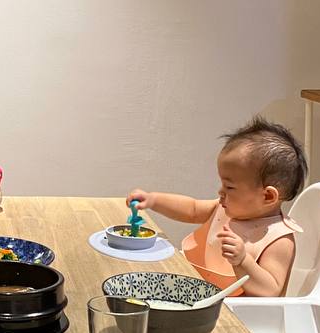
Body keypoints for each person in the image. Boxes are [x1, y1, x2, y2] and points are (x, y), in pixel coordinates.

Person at [128, 115, 307, 297]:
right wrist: (153, 200)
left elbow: (271, 291)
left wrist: (243, 260)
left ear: (268, 196)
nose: (221, 191)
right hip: (197, 293)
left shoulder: (279, 240)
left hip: (236, 312)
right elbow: (192, 209)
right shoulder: (226, 209)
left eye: (229, 187)